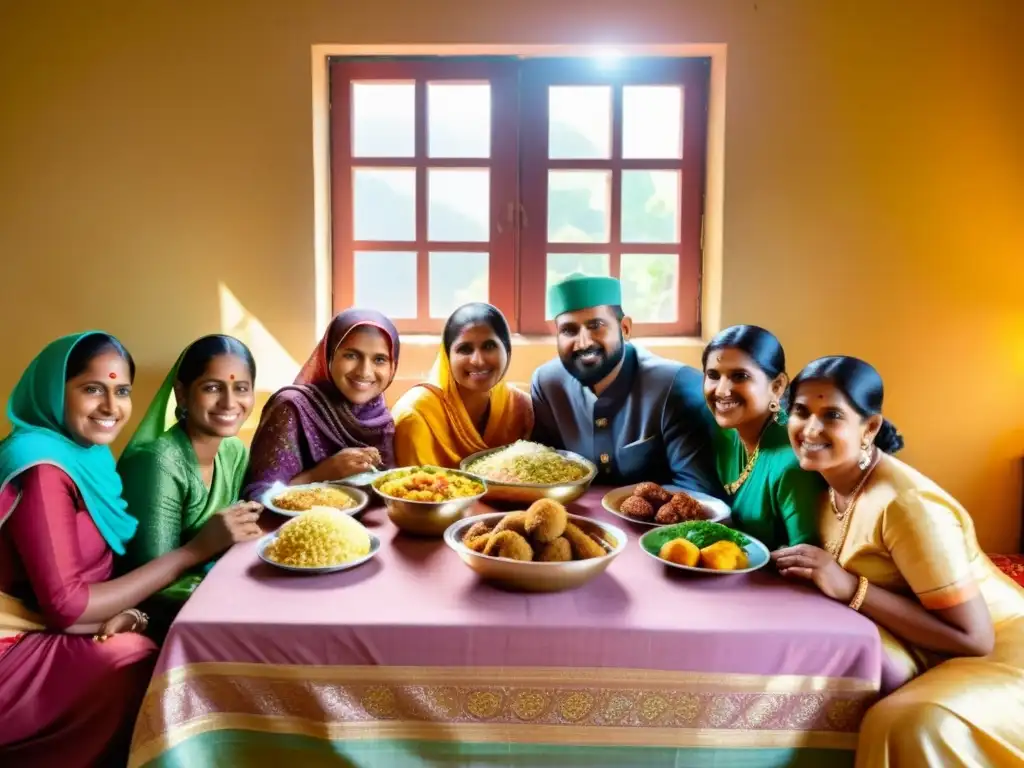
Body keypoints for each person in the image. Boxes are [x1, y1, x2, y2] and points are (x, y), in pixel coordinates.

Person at [0, 332, 261, 767]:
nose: (110, 407)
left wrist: (131, 615)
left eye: (121, 391)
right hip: (13, 637)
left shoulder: (88, 457)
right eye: (91, 389)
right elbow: (66, 604)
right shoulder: (43, 467)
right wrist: (193, 552)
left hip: (59, 619)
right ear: (52, 389)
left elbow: (92, 578)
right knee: (138, 661)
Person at [771, 356, 1023, 767]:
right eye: (801, 412)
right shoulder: (824, 480)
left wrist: (851, 588)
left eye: (832, 415)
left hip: (998, 654)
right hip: (921, 637)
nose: (811, 429)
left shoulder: (906, 505)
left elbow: (975, 639)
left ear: (869, 428)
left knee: (908, 723)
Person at [530, 273, 719, 494]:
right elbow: (543, 475)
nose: (583, 342)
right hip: (576, 522)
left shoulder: (676, 385)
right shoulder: (547, 384)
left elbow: (699, 493)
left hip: (659, 526)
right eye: (569, 331)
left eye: (596, 325)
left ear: (625, 328)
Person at [117, 335, 257, 634]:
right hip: (159, 612)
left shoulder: (234, 451)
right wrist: (206, 545)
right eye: (212, 387)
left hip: (214, 589)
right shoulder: (159, 461)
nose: (230, 402)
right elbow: (150, 582)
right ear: (181, 393)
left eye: (241, 388)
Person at [243, 309, 400, 499]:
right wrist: (321, 474)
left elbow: (388, 493)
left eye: (380, 359)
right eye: (351, 355)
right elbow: (259, 497)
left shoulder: (380, 418)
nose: (364, 371)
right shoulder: (292, 407)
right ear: (329, 356)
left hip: (368, 528)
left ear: (393, 366)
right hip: (295, 527)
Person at [702, 325, 822, 550]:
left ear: (777, 386)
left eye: (740, 376)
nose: (721, 390)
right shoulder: (721, 432)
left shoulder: (793, 463)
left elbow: (806, 563)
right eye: (713, 376)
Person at [392, 303, 533, 468]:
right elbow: (412, 488)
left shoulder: (521, 407)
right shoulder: (416, 414)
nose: (478, 361)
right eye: (465, 349)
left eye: (489, 346)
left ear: (507, 351)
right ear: (447, 357)